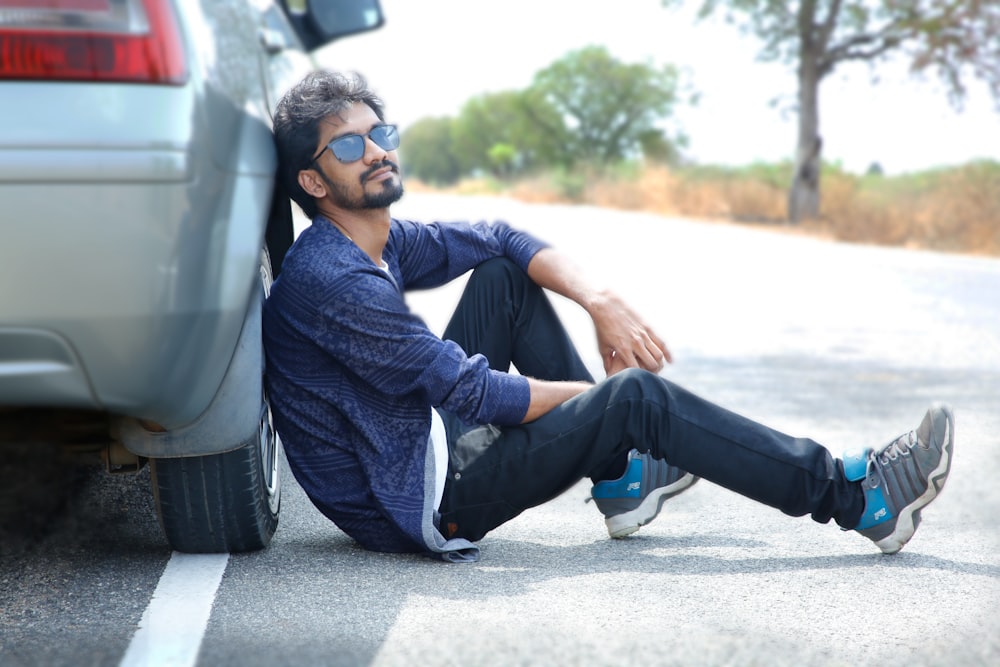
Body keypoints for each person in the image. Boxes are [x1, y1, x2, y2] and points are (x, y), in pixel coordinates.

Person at [263, 71, 954, 563]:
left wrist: (601, 302)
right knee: (635, 396)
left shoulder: (374, 239)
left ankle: (621, 476)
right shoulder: (335, 279)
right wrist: (607, 405)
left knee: (503, 277)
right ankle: (857, 497)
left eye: (377, 132)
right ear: (315, 183)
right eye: (348, 146)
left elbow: (501, 237)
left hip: (416, 438)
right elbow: (476, 393)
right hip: (417, 499)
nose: (378, 150)